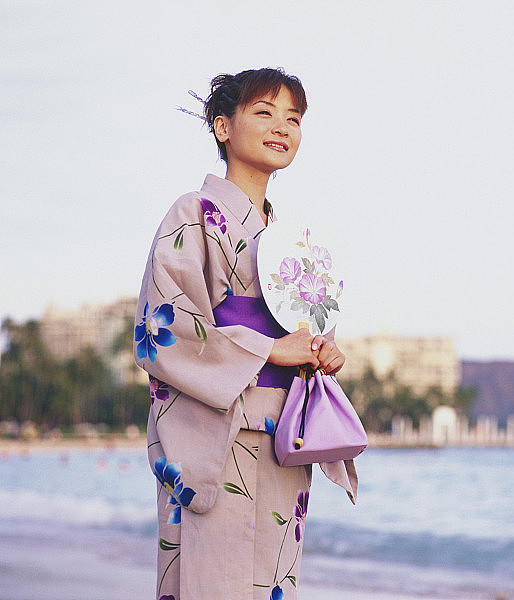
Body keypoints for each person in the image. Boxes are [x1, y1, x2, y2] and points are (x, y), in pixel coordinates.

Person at [134, 68, 358, 600]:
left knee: (271, 584)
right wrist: (271, 347)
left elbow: (303, 331)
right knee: (208, 582)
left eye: (294, 118)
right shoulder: (192, 214)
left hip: (286, 433)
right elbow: (159, 330)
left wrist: (320, 352)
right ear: (222, 127)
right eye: (264, 112)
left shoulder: (289, 240)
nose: (282, 126)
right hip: (215, 429)